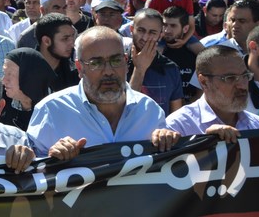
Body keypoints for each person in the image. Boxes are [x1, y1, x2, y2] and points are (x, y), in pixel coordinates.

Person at [27, 26, 178, 159]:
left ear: (126, 63)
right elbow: (32, 172)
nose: (108, 71)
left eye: (116, 60)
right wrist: (51, 158)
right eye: (96, 63)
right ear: (80, 68)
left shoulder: (149, 111)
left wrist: (168, 142)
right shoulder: (52, 111)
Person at [166, 46, 259, 139]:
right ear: (204, 82)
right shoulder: (178, 127)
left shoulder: (258, 126)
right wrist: (206, 141)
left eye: (245, 76)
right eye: (230, 78)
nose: (242, 85)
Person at [128, 8, 184, 115]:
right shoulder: (118, 63)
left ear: (160, 35)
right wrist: (139, 70)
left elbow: (175, 115)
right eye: (141, 30)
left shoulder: (170, 68)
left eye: (152, 33)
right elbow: (126, 110)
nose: (145, 37)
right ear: (131, 29)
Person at [0, 48, 55, 130]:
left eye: (10, 74)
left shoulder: (53, 108)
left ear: (28, 76)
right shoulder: (2, 103)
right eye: (4, 73)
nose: (3, 81)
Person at [162, 6, 203, 103]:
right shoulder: (156, 52)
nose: (167, 30)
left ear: (185, 29)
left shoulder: (196, 54)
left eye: (173, 26)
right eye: (164, 25)